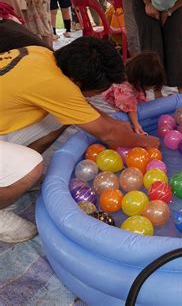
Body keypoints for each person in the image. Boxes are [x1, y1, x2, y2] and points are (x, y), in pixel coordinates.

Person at [0, 35, 160, 243]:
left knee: (59, 118)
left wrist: (113, 122)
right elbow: (107, 134)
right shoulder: (55, 84)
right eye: (98, 91)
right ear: (78, 82)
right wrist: (149, 142)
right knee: (32, 166)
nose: (96, 95)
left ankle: (8, 173)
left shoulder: (44, 55)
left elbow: (77, 106)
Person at [102, 52, 165, 134]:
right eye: (148, 86)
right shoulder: (124, 90)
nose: (150, 89)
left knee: (141, 103)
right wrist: (136, 125)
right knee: (126, 111)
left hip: (132, 86)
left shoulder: (135, 74)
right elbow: (131, 108)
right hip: (117, 96)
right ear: (139, 80)